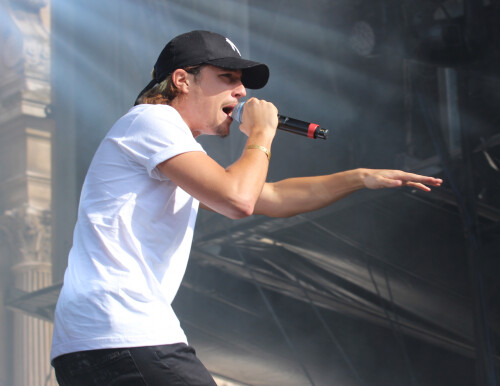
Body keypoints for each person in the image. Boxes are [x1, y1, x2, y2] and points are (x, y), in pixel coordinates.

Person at [50, 30, 443, 385]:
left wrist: (358, 177)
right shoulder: (153, 120)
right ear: (182, 80)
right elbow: (238, 199)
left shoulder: (163, 144)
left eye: (241, 83)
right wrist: (261, 131)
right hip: (126, 333)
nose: (241, 93)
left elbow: (268, 198)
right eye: (227, 79)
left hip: (91, 344)